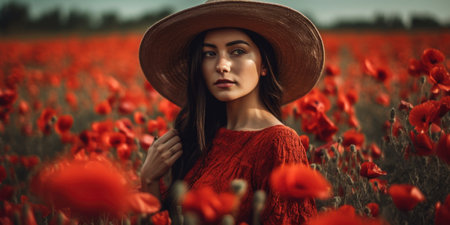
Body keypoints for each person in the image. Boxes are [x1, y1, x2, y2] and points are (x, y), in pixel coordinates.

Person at [139, 0, 325, 224]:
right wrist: (149, 180)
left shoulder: (279, 143)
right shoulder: (200, 134)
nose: (222, 65)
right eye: (209, 54)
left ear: (264, 65)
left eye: (237, 51)